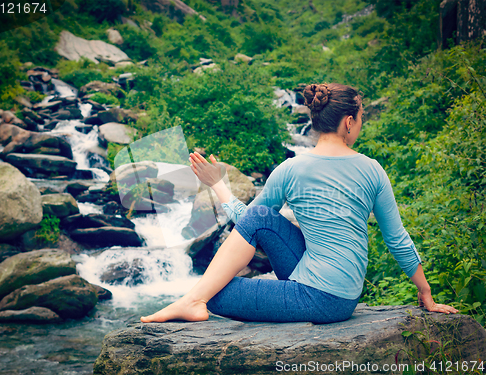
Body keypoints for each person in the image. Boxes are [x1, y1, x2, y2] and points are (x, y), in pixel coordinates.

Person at [140, 83, 458, 324]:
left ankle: (192, 300)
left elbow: (247, 222)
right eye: (361, 118)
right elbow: (396, 238)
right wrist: (425, 293)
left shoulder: (290, 168)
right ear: (349, 122)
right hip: (336, 291)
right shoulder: (372, 169)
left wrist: (218, 185)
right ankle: (194, 300)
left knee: (213, 292)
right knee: (259, 222)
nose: (360, 124)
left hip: (322, 299)